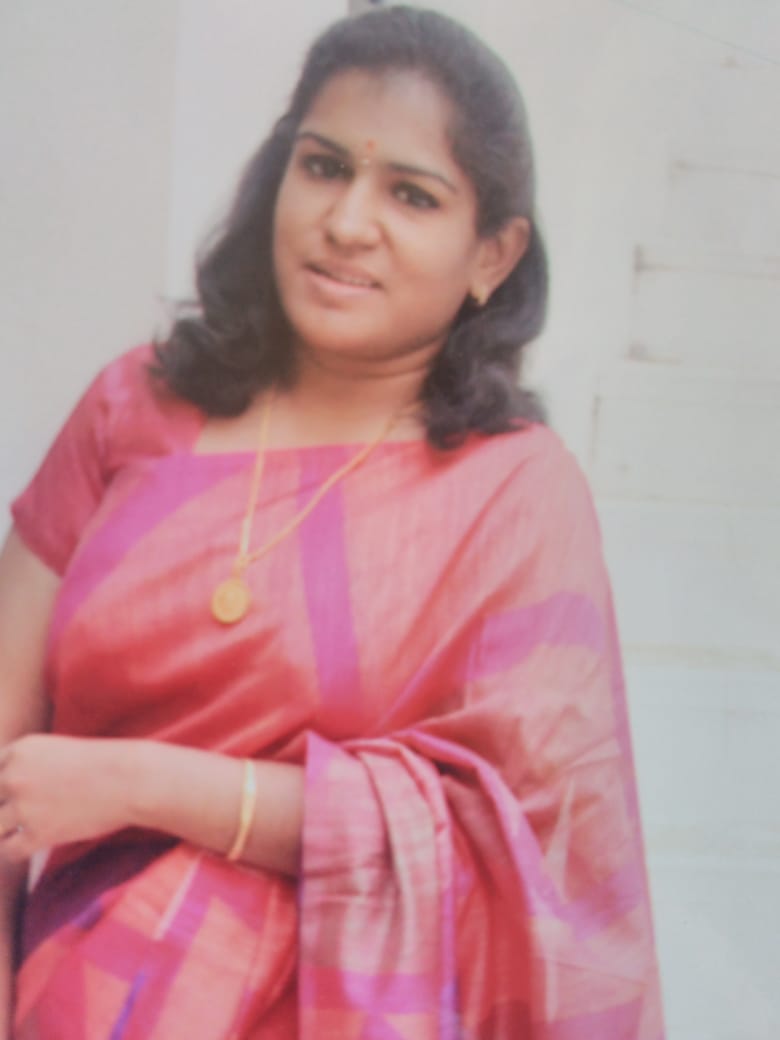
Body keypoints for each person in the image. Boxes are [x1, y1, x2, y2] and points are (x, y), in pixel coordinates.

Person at [0, 6, 664, 1038]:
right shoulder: (132, 406)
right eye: (323, 167)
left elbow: (521, 853)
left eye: (412, 193)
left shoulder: (515, 492)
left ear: (492, 254)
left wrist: (141, 782)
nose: (349, 221)